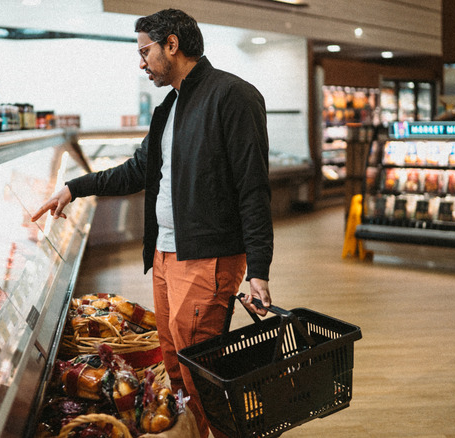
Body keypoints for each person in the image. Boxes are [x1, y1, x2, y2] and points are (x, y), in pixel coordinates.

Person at [31, 8, 274, 438]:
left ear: (172, 44)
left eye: (145, 51)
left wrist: (259, 269)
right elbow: (137, 170)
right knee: (176, 369)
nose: (141, 62)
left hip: (208, 258)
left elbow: (253, 189)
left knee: (202, 375)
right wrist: (74, 187)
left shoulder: (233, 95)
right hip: (165, 255)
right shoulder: (171, 106)